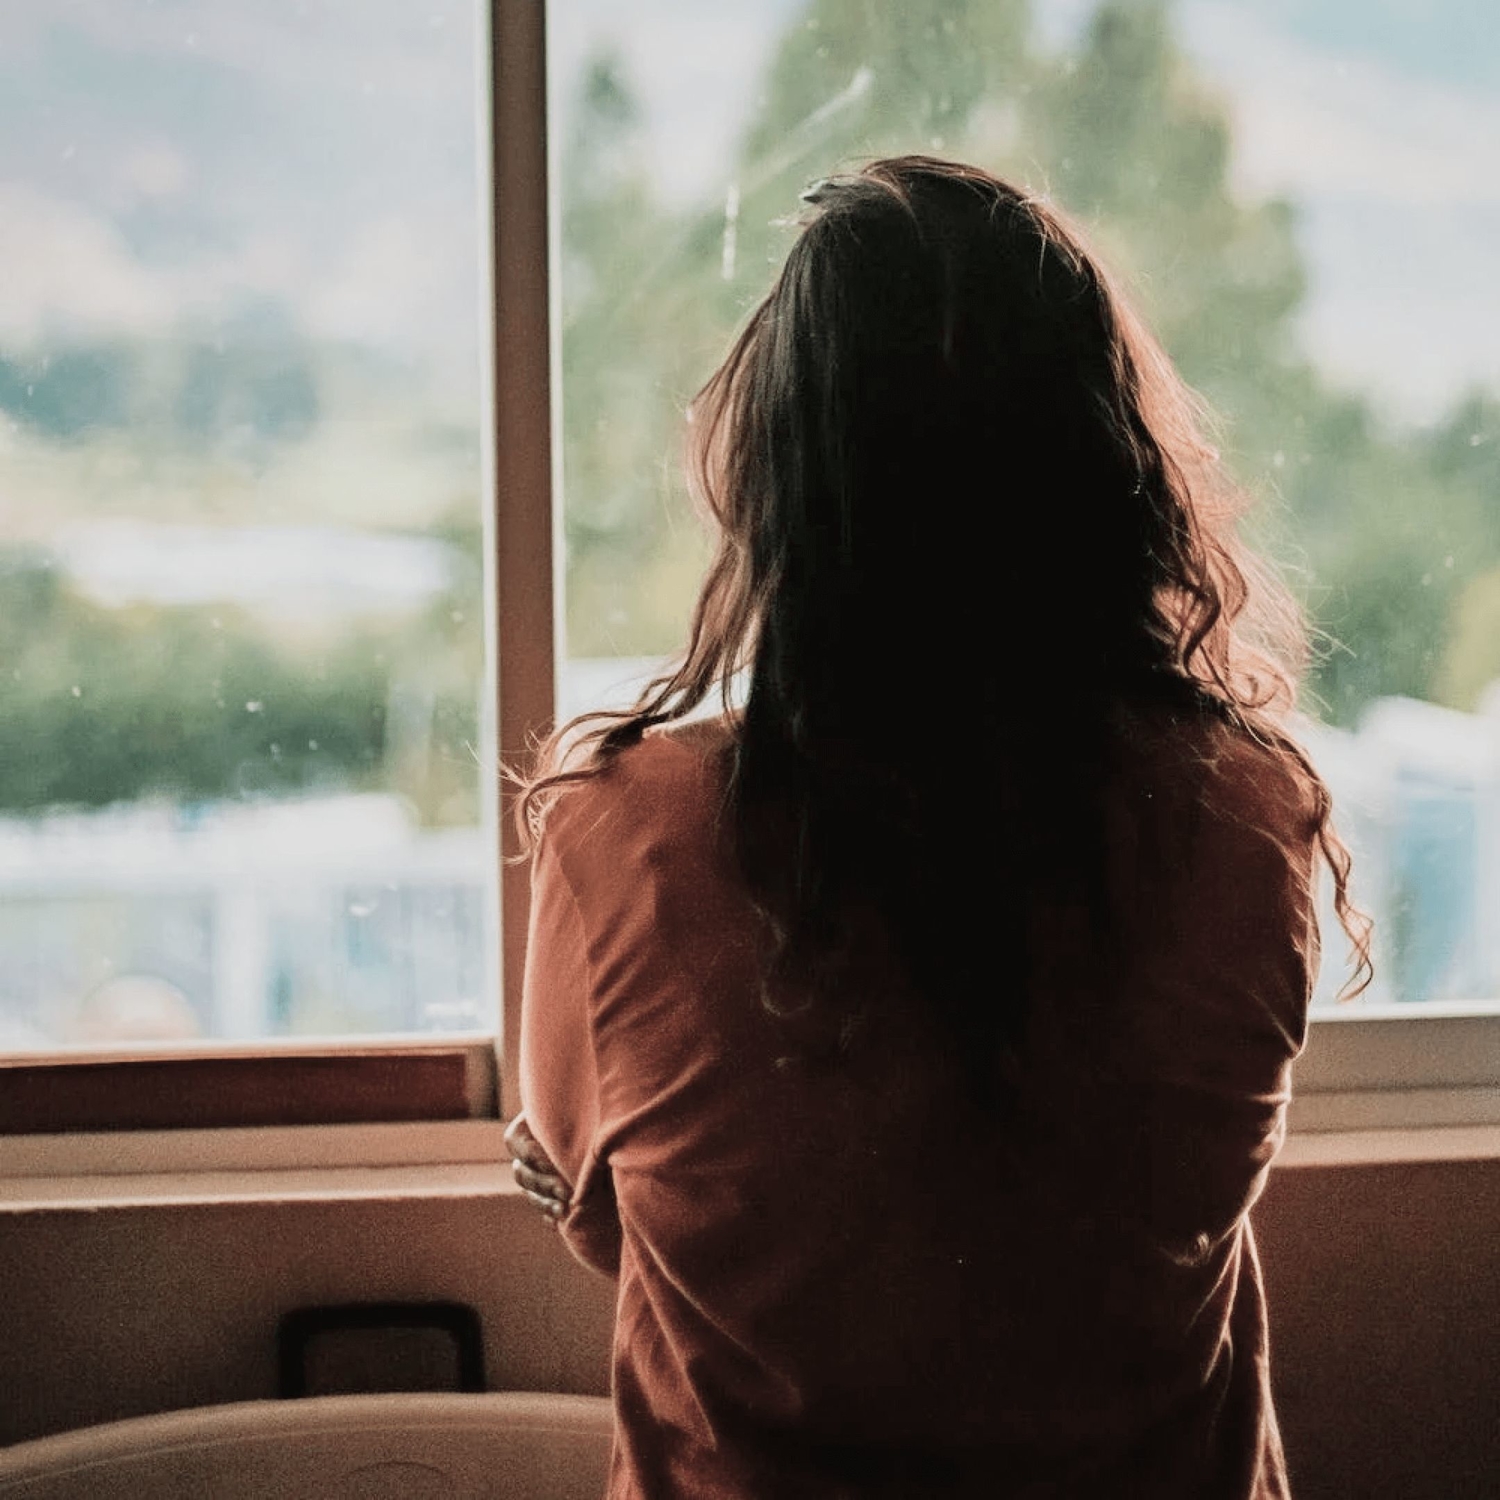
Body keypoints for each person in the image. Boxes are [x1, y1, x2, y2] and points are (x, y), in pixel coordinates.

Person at [505, 156, 1370, 1499]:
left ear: (786, 482)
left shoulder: (622, 833)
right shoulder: (1251, 819)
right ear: (1103, 471)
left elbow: (608, 1213)